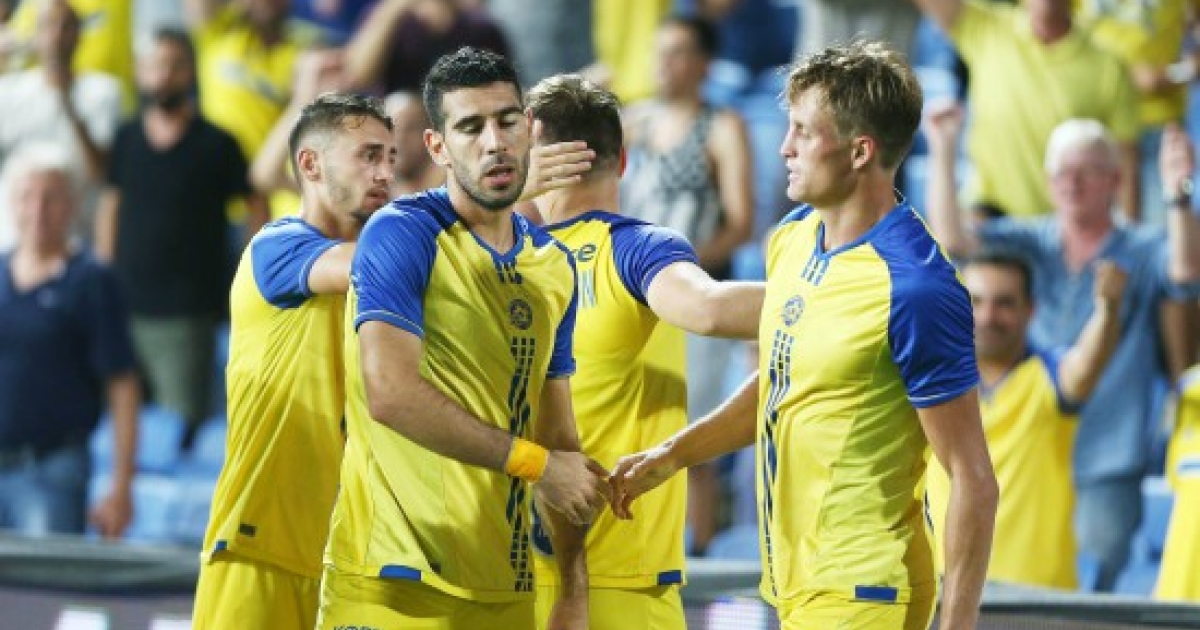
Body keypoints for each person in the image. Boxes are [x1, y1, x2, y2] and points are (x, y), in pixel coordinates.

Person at [610, 40, 998, 630]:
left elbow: (972, 477)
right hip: (796, 587)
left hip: (864, 592)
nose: (784, 147)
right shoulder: (793, 236)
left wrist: (958, 625)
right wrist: (674, 455)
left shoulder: (918, 287)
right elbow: (784, 381)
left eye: (803, 132)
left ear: (860, 151)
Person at [315, 47, 608, 630]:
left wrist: (573, 587)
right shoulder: (402, 232)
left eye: (506, 121)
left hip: (504, 588)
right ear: (438, 147)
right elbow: (390, 393)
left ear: (530, 128)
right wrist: (537, 464)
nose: (494, 142)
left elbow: (559, 440)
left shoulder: (554, 265)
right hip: (392, 584)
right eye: (471, 127)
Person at [924, 107, 1200, 591]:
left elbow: (1185, 272)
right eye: (1062, 172)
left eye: (1087, 171)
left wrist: (1178, 195)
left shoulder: (1142, 246)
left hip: (1108, 449)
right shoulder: (1031, 239)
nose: (1072, 183)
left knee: (1097, 585)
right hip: (1034, 445)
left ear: (1115, 181)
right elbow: (952, 241)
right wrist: (944, 147)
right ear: (1048, 182)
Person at [526, 73, 764, 630]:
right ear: (624, 161)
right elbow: (707, 309)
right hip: (619, 584)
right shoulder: (636, 249)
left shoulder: (498, 258)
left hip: (512, 576)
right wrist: (853, 295)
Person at [189, 92, 396, 630]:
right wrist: (476, 201)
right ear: (310, 164)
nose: (385, 173)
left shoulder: (388, 287)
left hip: (343, 561)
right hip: (260, 548)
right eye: (368, 155)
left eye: (390, 158)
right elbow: (374, 263)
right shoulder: (277, 245)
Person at [621, 14, 754, 553]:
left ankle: (699, 557)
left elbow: (741, 222)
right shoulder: (632, 122)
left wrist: (677, 271)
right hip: (631, 299)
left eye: (677, 52)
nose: (664, 63)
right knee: (631, 430)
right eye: (660, 51)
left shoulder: (721, 126)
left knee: (693, 437)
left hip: (695, 297)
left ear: (704, 63)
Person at [927, 252, 1126, 590]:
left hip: (1038, 596)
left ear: (1030, 309)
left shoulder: (1050, 375)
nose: (988, 316)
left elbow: (1086, 366)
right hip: (944, 590)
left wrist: (1107, 310)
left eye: (1004, 303)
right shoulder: (930, 381)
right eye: (976, 301)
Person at [95, 28, 253, 434]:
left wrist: (252, 276)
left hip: (188, 316)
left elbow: (255, 204)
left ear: (191, 71)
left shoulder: (218, 143)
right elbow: (111, 205)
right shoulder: (127, 137)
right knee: (119, 426)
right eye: (155, 65)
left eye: (175, 65)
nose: (164, 75)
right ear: (140, 72)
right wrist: (104, 280)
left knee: (182, 431)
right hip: (125, 309)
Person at [0, 143, 139, 538]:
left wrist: (121, 486)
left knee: (45, 578)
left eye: (51, 197)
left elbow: (122, 385)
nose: (38, 210)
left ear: (72, 205)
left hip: (51, 470)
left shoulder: (92, 280)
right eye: (27, 196)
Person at [911, 0, 1141, 220]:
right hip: (989, 217)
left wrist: (1128, 240)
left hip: (1066, 229)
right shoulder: (987, 28)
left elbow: (1126, 164)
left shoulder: (1108, 65)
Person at [0, 0, 121, 250]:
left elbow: (102, 172)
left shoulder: (103, 91)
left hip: (76, 238)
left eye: (66, 26)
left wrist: (67, 101)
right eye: (48, 26)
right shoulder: (8, 92)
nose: (56, 35)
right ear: (35, 35)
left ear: (79, 36)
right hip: (14, 241)